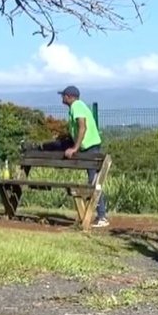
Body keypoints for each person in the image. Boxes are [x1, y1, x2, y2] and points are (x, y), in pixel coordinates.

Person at [58, 86, 109, 228]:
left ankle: (102, 216)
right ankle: (101, 214)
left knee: (93, 181)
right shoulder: (77, 106)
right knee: (93, 180)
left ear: (69, 96)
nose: (62, 98)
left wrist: (74, 148)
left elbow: (82, 127)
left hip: (90, 148)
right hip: (88, 147)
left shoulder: (77, 106)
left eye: (63, 95)